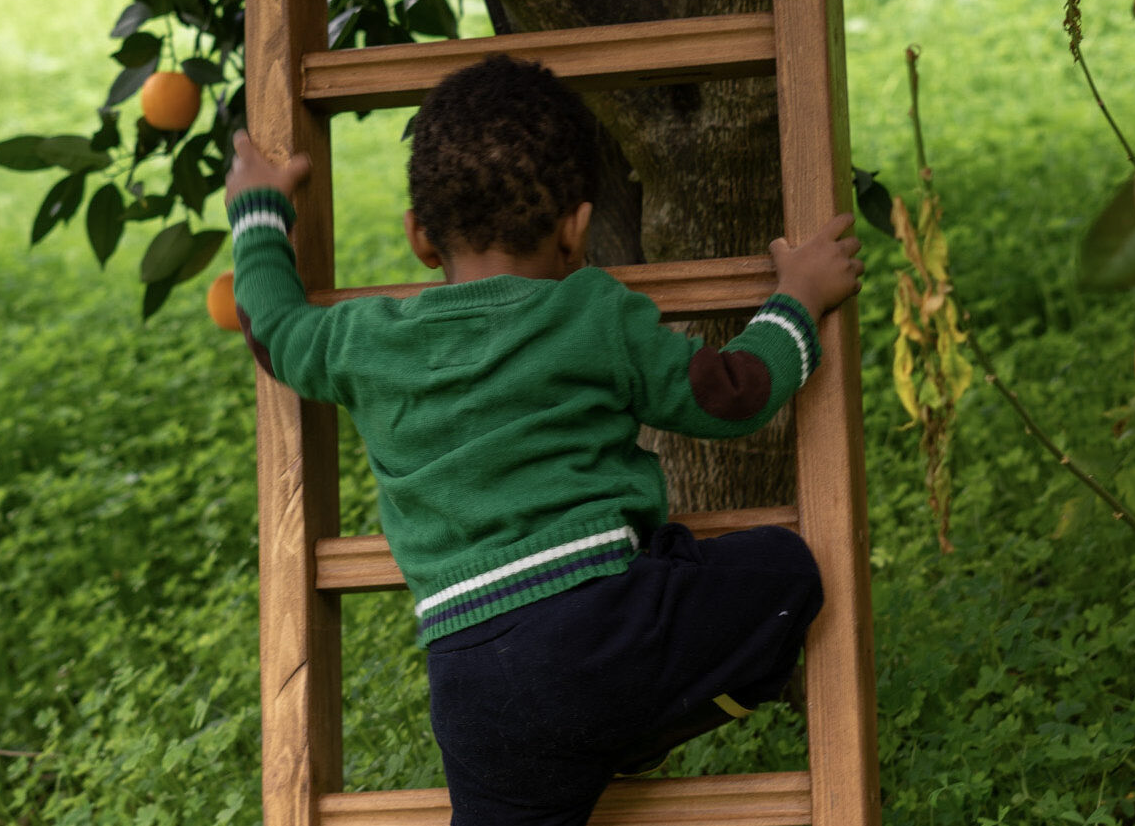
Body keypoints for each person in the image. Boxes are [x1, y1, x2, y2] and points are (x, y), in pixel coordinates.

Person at [225, 54, 864, 826]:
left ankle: (609, 727)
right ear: (577, 229)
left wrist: (258, 211)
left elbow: (272, 330)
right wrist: (797, 296)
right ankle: (639, 721)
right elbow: (733, 395)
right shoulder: (593, 313)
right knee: (783, 570)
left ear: (419, 237)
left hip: (470, 684)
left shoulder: (362, 340)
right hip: (605, 630)